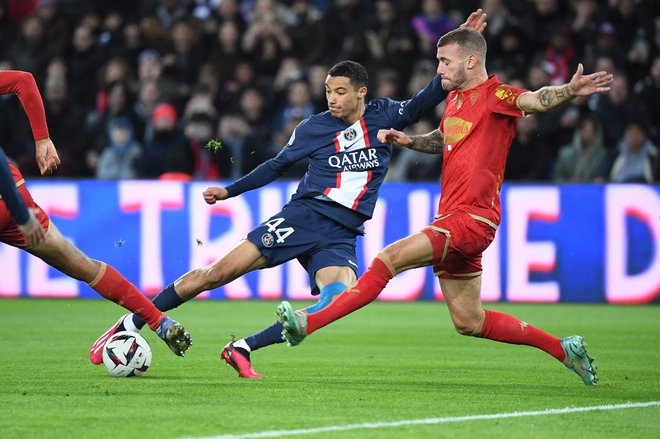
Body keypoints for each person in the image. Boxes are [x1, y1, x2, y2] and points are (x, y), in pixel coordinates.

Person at [89, 10, 489, 379]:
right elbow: (275, 166)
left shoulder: (385, 115)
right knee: (217, 274)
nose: (331, 98)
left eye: (340, 91)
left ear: (361, 93)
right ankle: (132, 322)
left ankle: (243, 348)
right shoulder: (313, 128)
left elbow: (429, 95)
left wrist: (464, 42)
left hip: (341, 232)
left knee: (336, 302)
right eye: (328, 90)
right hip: (303, 217)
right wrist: (229, 191)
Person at [277, 27, 614, 386]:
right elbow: (444, 138)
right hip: (454, 219)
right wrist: (408, 140)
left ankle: (307, 322)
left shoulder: (496, 96)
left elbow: (535, 99)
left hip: (471, 219)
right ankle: (564, 349)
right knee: (470, 321)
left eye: (444, 61)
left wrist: (568, 91)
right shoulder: (454, 99)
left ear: (471, 61)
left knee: (387, 260)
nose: (438, 69)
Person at [0, 70, 192, 361]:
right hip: (12, 198)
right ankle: (158, 321)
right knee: (83, 265)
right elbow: (23, 80)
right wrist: (42, 139)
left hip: (9, 200)